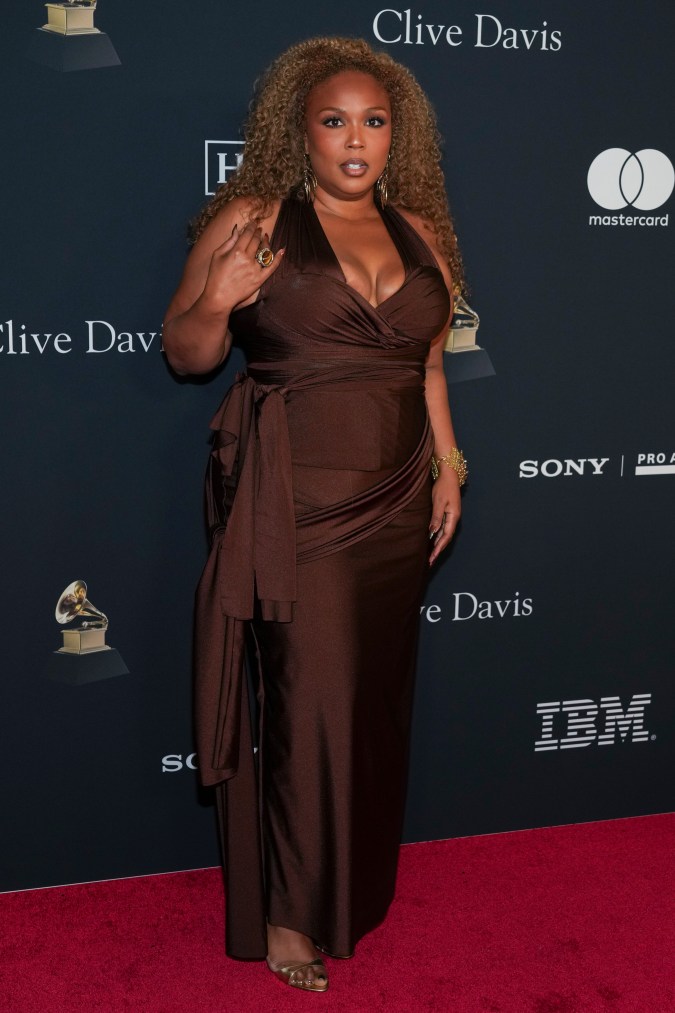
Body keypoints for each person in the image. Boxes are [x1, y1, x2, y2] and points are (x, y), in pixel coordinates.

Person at [163, 36, 467, 993]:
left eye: (374, 121)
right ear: (298, 131)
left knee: (371, 700)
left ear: (395, 134)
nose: (356, 139)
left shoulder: (418, 227)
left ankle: (352, 887)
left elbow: (424, 362)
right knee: (307, 701)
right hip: (294, 498)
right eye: (334, 120)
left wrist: (450, 463)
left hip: (397, 497)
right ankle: (290, 913)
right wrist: (216, 298)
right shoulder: (253, 217)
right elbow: (186, 352)